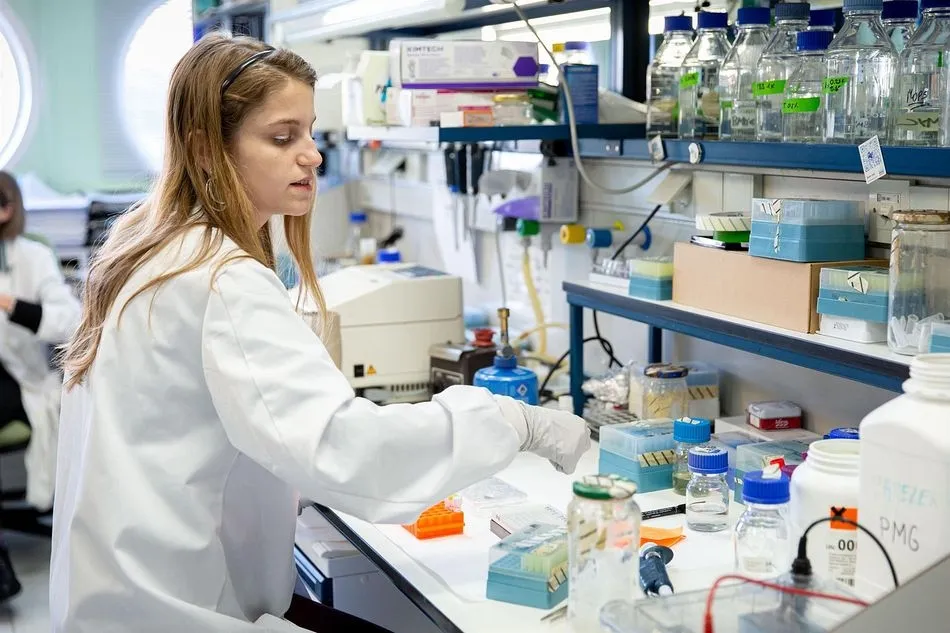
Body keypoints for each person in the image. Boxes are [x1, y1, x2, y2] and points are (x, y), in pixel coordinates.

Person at [50, 33, 590, 633]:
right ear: (206, 148)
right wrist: (516, 422)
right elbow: (346, 449)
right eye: (282, 138)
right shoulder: (219, 278)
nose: (311, 155)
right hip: (179, 612)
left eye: (309, 132)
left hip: (117, 601)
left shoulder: (148, 247)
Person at [0, 172, 80, 602]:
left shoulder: (31, 257)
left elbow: (69, 319)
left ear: (7, 210)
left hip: (19, 379)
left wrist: (9, 303)